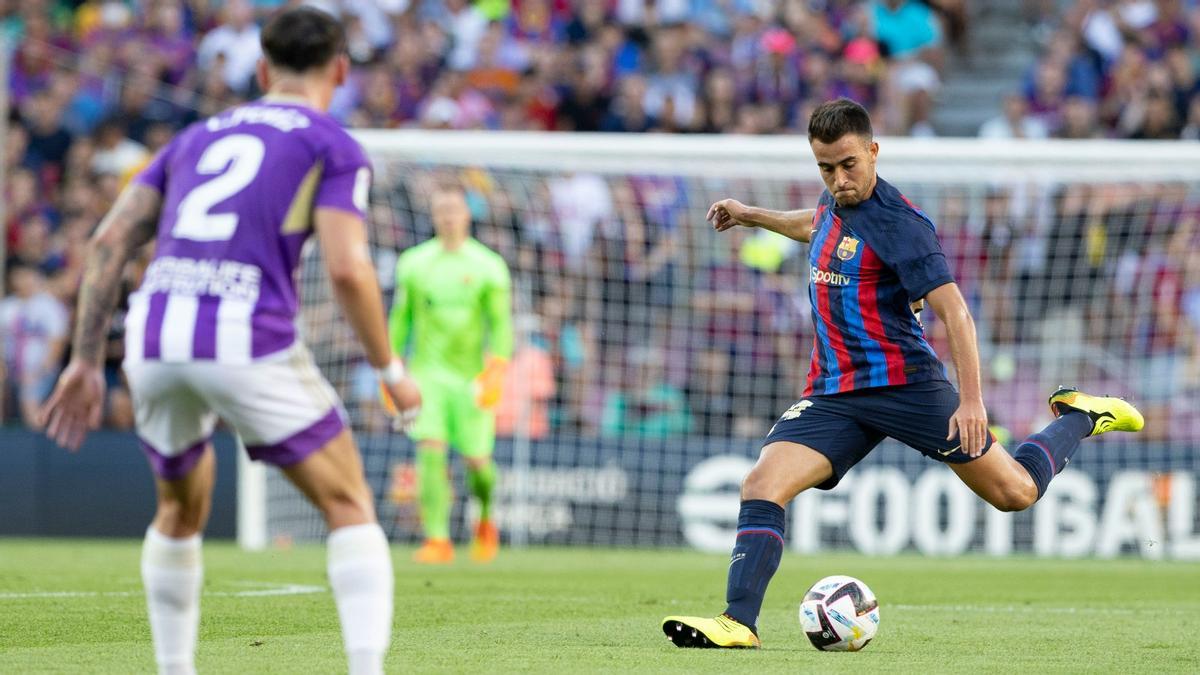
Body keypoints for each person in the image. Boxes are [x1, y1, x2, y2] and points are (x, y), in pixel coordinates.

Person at [661, 98, 1144, 649]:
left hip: (907, 386)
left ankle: (1079, 416)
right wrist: (752, 215)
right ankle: (738, 622)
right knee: (761, 484)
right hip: (836, 391)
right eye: (825, 168)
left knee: (1015, 493)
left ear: (873, 151)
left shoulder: (903, 225)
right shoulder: (834, 200)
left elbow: (956, 312)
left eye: (848, 165)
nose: (839, 180)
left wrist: (972, 401)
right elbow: (818, 224)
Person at [38, 8, 421, 675]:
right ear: (338, 69)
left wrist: (82, 359)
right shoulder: (331, 143)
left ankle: (175, 668)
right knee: (350, 504)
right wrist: (388, 367)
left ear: (264, 69)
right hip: (246, 332)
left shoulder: (194, 137)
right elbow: (348, 267)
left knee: (179, 510)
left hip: (154, 334)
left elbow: (108, 240)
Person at [388, 180, 513, 564]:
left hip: (472, 378)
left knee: (479, 466)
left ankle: (486, 518)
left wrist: (496, 369)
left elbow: (501, 324)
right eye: (440, 211)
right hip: (428, 375)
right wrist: (390, 369)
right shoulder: (413, 263)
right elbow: (401, 319)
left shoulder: (489, 266)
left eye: (453, 210)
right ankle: (437, 539)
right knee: (430, 451)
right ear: (433, 216)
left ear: (467, 213)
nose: (447, 218)